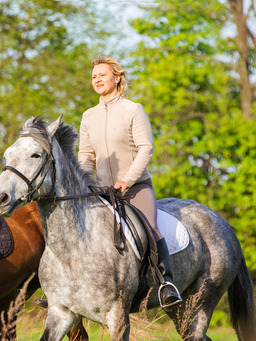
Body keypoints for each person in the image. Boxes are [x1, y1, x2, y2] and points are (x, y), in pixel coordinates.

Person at [77, 56, 182, 308]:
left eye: (102, 75)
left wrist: (127, 180)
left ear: (117, 77)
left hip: (135, 188)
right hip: (102, 192)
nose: (97, 79)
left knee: (149, 228)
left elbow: (146, 149)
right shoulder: (88, 116)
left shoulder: (133, 109)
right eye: (94, 76)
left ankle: (166, 283)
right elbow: (85, 156)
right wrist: (83, 185)